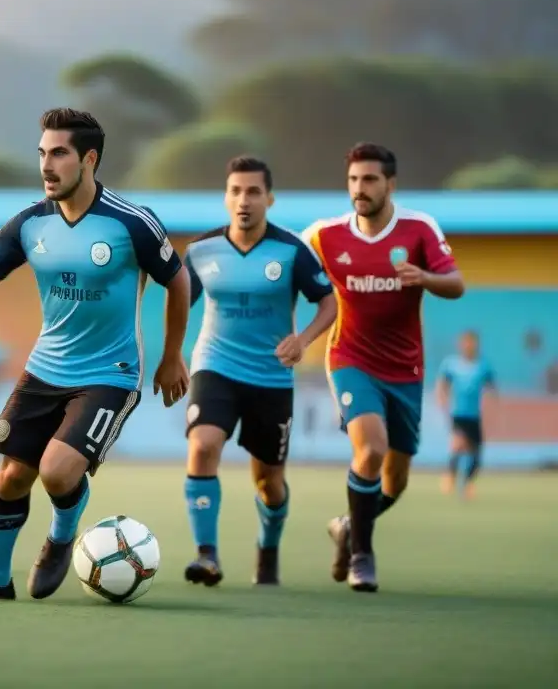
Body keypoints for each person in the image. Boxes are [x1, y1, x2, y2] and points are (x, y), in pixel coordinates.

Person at [0, 108, 191, 601]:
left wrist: (171, 357)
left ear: (89, 159)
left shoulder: (131, 223)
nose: (46, 164)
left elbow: (178, 281)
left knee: (57, 470)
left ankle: (60, 539)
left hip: (110, 374)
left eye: (58, 153)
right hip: (44, 369)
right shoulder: (30, 223)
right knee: (13, 476)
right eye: (42, 153)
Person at [304, 143, 464, 592]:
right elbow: (285, 266)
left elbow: (456, 284)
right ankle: (363, 557)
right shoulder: (324, 235)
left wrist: (426, 278)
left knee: (394, 482)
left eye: (370, 180)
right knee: (370, 451)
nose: (360, 188)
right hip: (350, 359)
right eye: (354, 179)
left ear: (390, 184)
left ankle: (347, 527)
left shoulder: (418, 229)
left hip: (406, 369)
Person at [183, 157, 337, 587]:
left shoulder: (292, 251)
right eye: (235, 191)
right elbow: (180, 299)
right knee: (203, 445)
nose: (243, 200)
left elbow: (329, 302)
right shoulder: (200, 251)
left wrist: (303, 340)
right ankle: (206, 556)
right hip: (214, 365)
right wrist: (172, 354)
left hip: (270, 379)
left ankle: (267, 550)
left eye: (253, 192)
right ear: (226, 197)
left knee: (268, 481)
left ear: (269, 198)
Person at [436, 330, 495, 499]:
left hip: (474, 415)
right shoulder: (451, 364)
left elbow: (491, 387)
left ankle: (468, 483)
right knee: (458, 445)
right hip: (458, 413)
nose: (469, 346)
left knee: (476, 452)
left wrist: (491, 407)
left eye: (472, 342)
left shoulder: (483, 366)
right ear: (461, 345)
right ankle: (450, 475)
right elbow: (442, 384)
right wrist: (442, 400)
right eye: (466, 342)